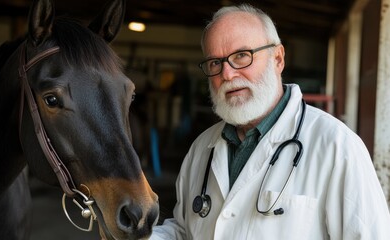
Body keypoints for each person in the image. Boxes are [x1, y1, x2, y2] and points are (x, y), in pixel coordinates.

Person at [150, 3, 390, 240]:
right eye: (215, 62)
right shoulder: (202, 149)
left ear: (278, 58)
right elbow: (184, 232)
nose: (227, 74)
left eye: (242, 56)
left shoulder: (338, 147)